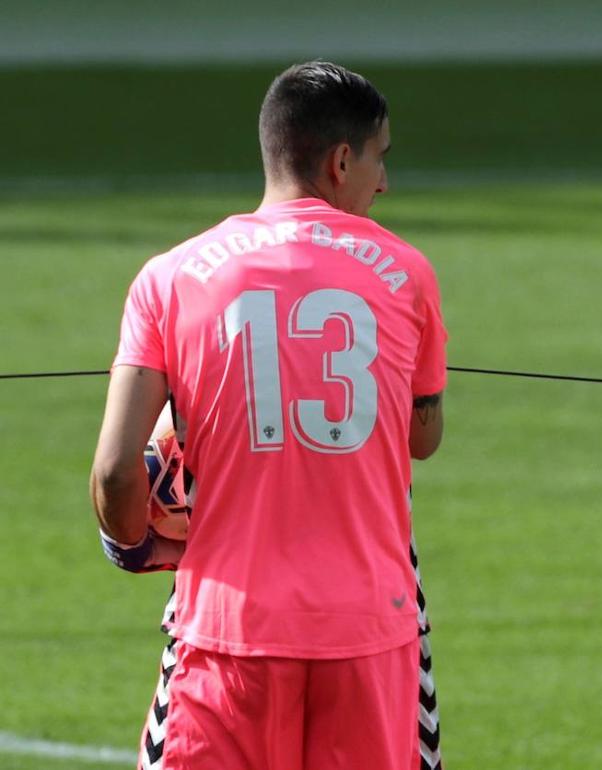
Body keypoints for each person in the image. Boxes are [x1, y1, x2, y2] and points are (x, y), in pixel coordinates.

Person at [89, 61, 448, 770]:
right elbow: (422, 436)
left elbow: (113, 475)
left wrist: (137, 543)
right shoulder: (407, 271)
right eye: (380, 159)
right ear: (341, 160)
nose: (384, 182)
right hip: (372, 637)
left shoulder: (170, 276)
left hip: (226, 638)